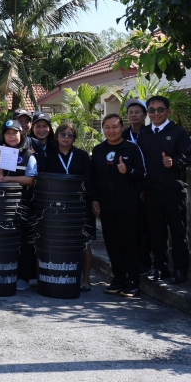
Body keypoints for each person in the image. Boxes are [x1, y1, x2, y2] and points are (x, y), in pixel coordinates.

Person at [89, 113, 146, 297]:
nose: (111, 131)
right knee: (112, 244)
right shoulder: (98, 150)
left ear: (122, 128)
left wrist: (128, 170)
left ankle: (133, 282)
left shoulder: (132, 148)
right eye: (107, 127)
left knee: (130, 243)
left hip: (129, 205)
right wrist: (94, 199)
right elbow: (93, 178)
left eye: (115, 127)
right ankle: (118, 279)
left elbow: (143, 173)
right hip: (106, 206)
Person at [139, 96, 191, 285]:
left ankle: (180, 269)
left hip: (174, 190)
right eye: (152, 110)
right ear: (148, 113)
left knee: (178, 231)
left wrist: (174, 162)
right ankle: (160, 267)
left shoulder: (178, 132)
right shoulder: (144, 133)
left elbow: (188, 155)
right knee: (156, 231)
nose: (156, 114)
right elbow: (139, 160)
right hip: (151, 191)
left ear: (168, 111)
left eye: (160, 109)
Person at [0, 119, 37, 291]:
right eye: (8, 133)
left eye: (15, 133)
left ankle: (23, 277)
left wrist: (8, 178)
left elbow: (31, 179)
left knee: (24, 241)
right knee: (5, 240)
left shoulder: (28, 154)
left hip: (22, 205)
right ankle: (6, 272)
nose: (11, 136)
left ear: (21, 134)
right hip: (1, 205)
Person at [43, 121, 94, 291]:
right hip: (57, 205)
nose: (66, 138)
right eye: (63, 134)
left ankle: (85, 279)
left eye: (70, 135)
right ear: (57, 137)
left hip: (79, 205)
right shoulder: (49, 156)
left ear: (74, 138)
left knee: (84, 242)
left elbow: (90, 179)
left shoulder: (82, 155)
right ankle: (59, 274)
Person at [122, 98, 152, 276]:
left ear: (144, 115)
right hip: (127, 187)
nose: (133, 115)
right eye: (130, 112)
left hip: (147, 186)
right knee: (129, 226)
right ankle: (129, 260)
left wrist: (145, 188)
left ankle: (145, 261)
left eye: (137, 112)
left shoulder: (150, 134)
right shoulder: (123, 134)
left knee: (145, 226)